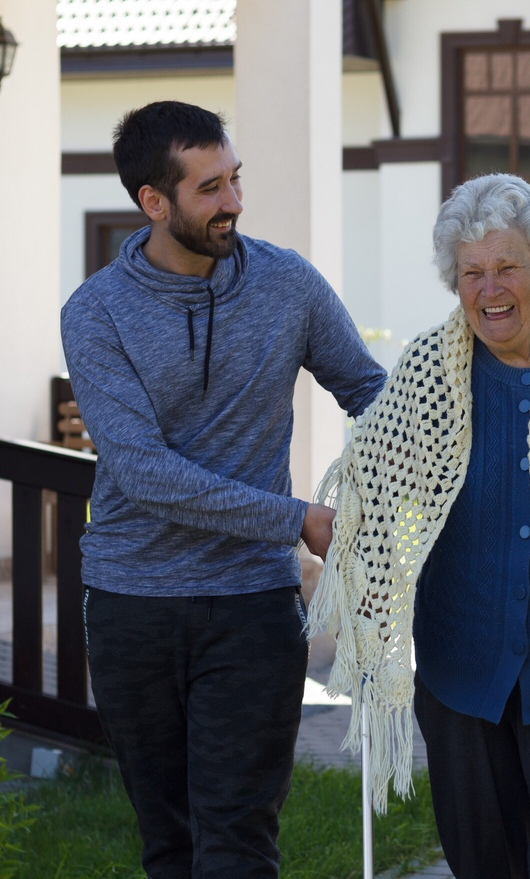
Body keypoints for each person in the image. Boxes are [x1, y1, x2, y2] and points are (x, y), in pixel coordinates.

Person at [309, 174, 530, 879]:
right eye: (471, 273)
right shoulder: (428, 372)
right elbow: (368, 487)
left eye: (506, 267)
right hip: (463, 681)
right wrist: (358, 561)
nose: (489, 289)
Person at [60, 101, 386, 877]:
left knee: (238, 842)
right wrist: (295, 517)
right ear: (153, 201)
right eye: (210, 188)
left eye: (235, 178)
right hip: (132, 605)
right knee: (169, 845)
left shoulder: (288, 285)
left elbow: (371, 390)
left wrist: (397, 477)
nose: (234, 201)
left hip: (251, 606)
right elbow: (141, 471)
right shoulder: (96, 312)